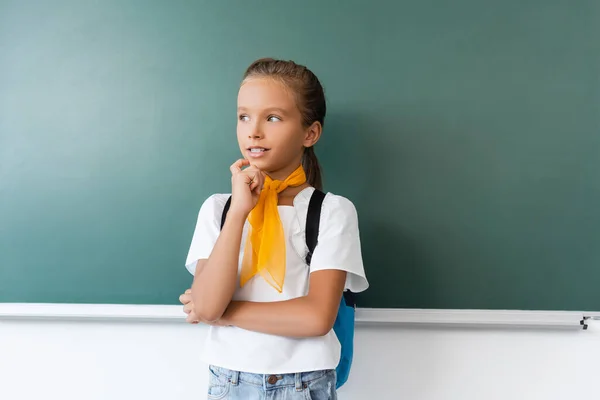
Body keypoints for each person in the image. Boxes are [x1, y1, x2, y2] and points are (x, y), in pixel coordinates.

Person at [179, 57, 369, 400]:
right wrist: (239, 212)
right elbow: (206, 307)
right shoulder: (219, 209)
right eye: (243, 116)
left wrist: (225, 313)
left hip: (304, 382)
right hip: (229, 381)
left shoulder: (331, 212)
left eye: (273, 118)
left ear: (309, 133)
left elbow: (316, 317)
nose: (253, 130)